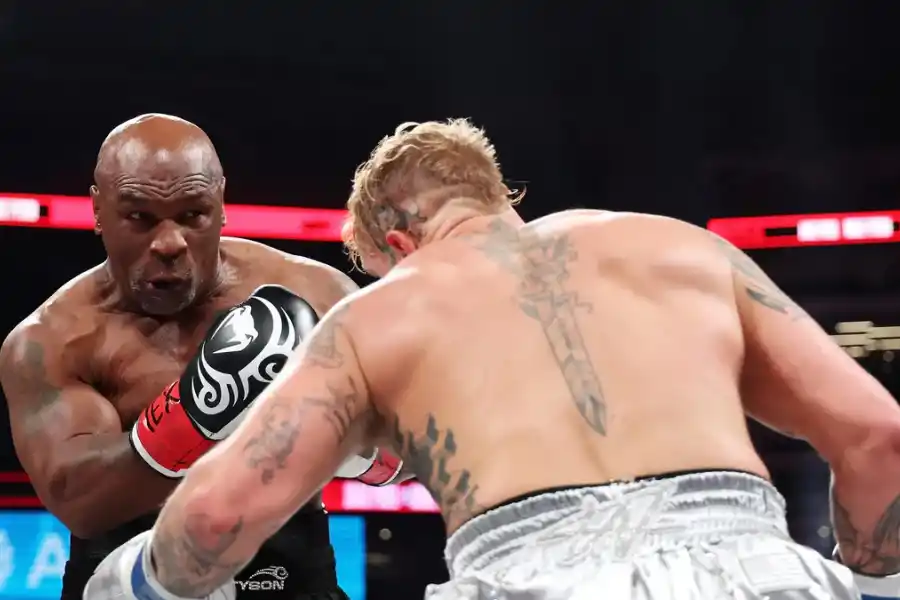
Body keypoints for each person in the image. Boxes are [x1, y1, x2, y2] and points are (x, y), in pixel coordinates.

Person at [84, 118, 900, 600]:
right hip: (759, 570)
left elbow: (219, 520)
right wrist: (868, 585)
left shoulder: (382, 314)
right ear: (501, 196)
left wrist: (134, 579)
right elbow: (877, 436)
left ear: (396, 246)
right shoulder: (685, 251)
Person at [0, 114, 405, 600]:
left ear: (221, 204)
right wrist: (201, 410)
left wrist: (352, 447)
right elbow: (79, 499)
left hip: (290, 576)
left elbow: (410, 451)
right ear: (98, 211)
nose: (169, 243)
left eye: (194, 215)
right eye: (139, 217)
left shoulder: (315, 294)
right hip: (124, 579)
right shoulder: (52, 340)